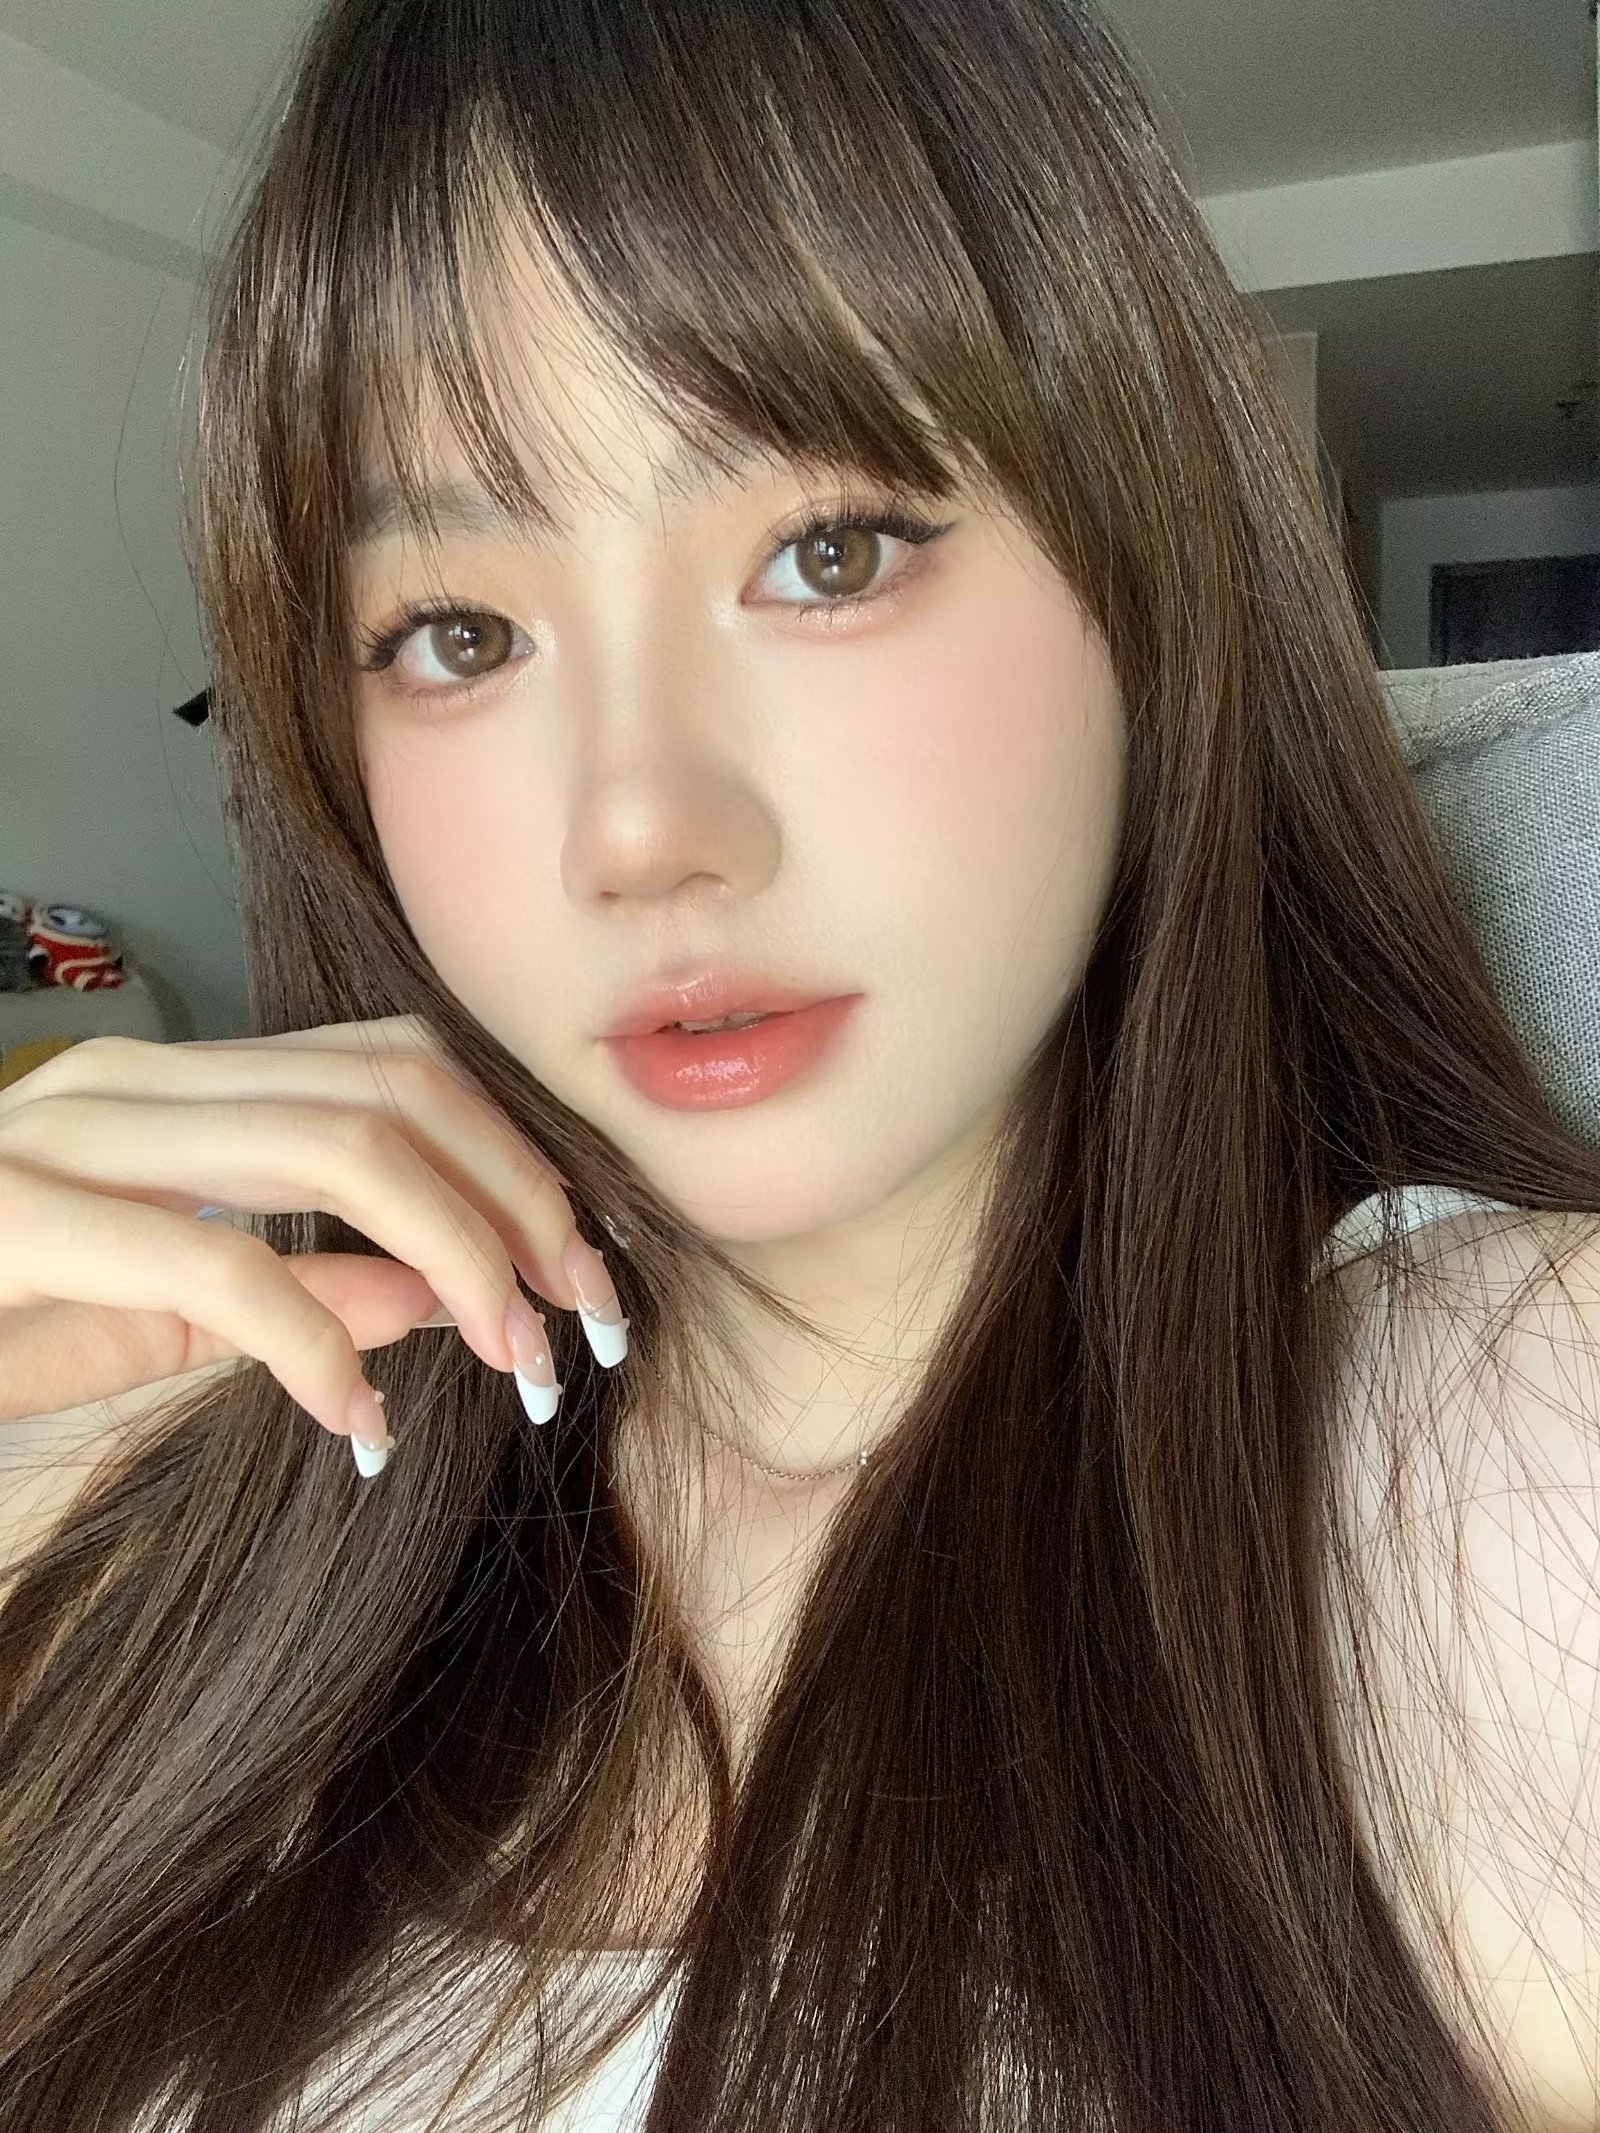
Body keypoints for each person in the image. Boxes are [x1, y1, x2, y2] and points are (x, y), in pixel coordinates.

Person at [1, 0, 1598, 2127]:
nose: (638, 828)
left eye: (825, 552)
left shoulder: (1495, 1466)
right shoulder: (142, 1475)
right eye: (458, 635)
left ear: (1150, 582)